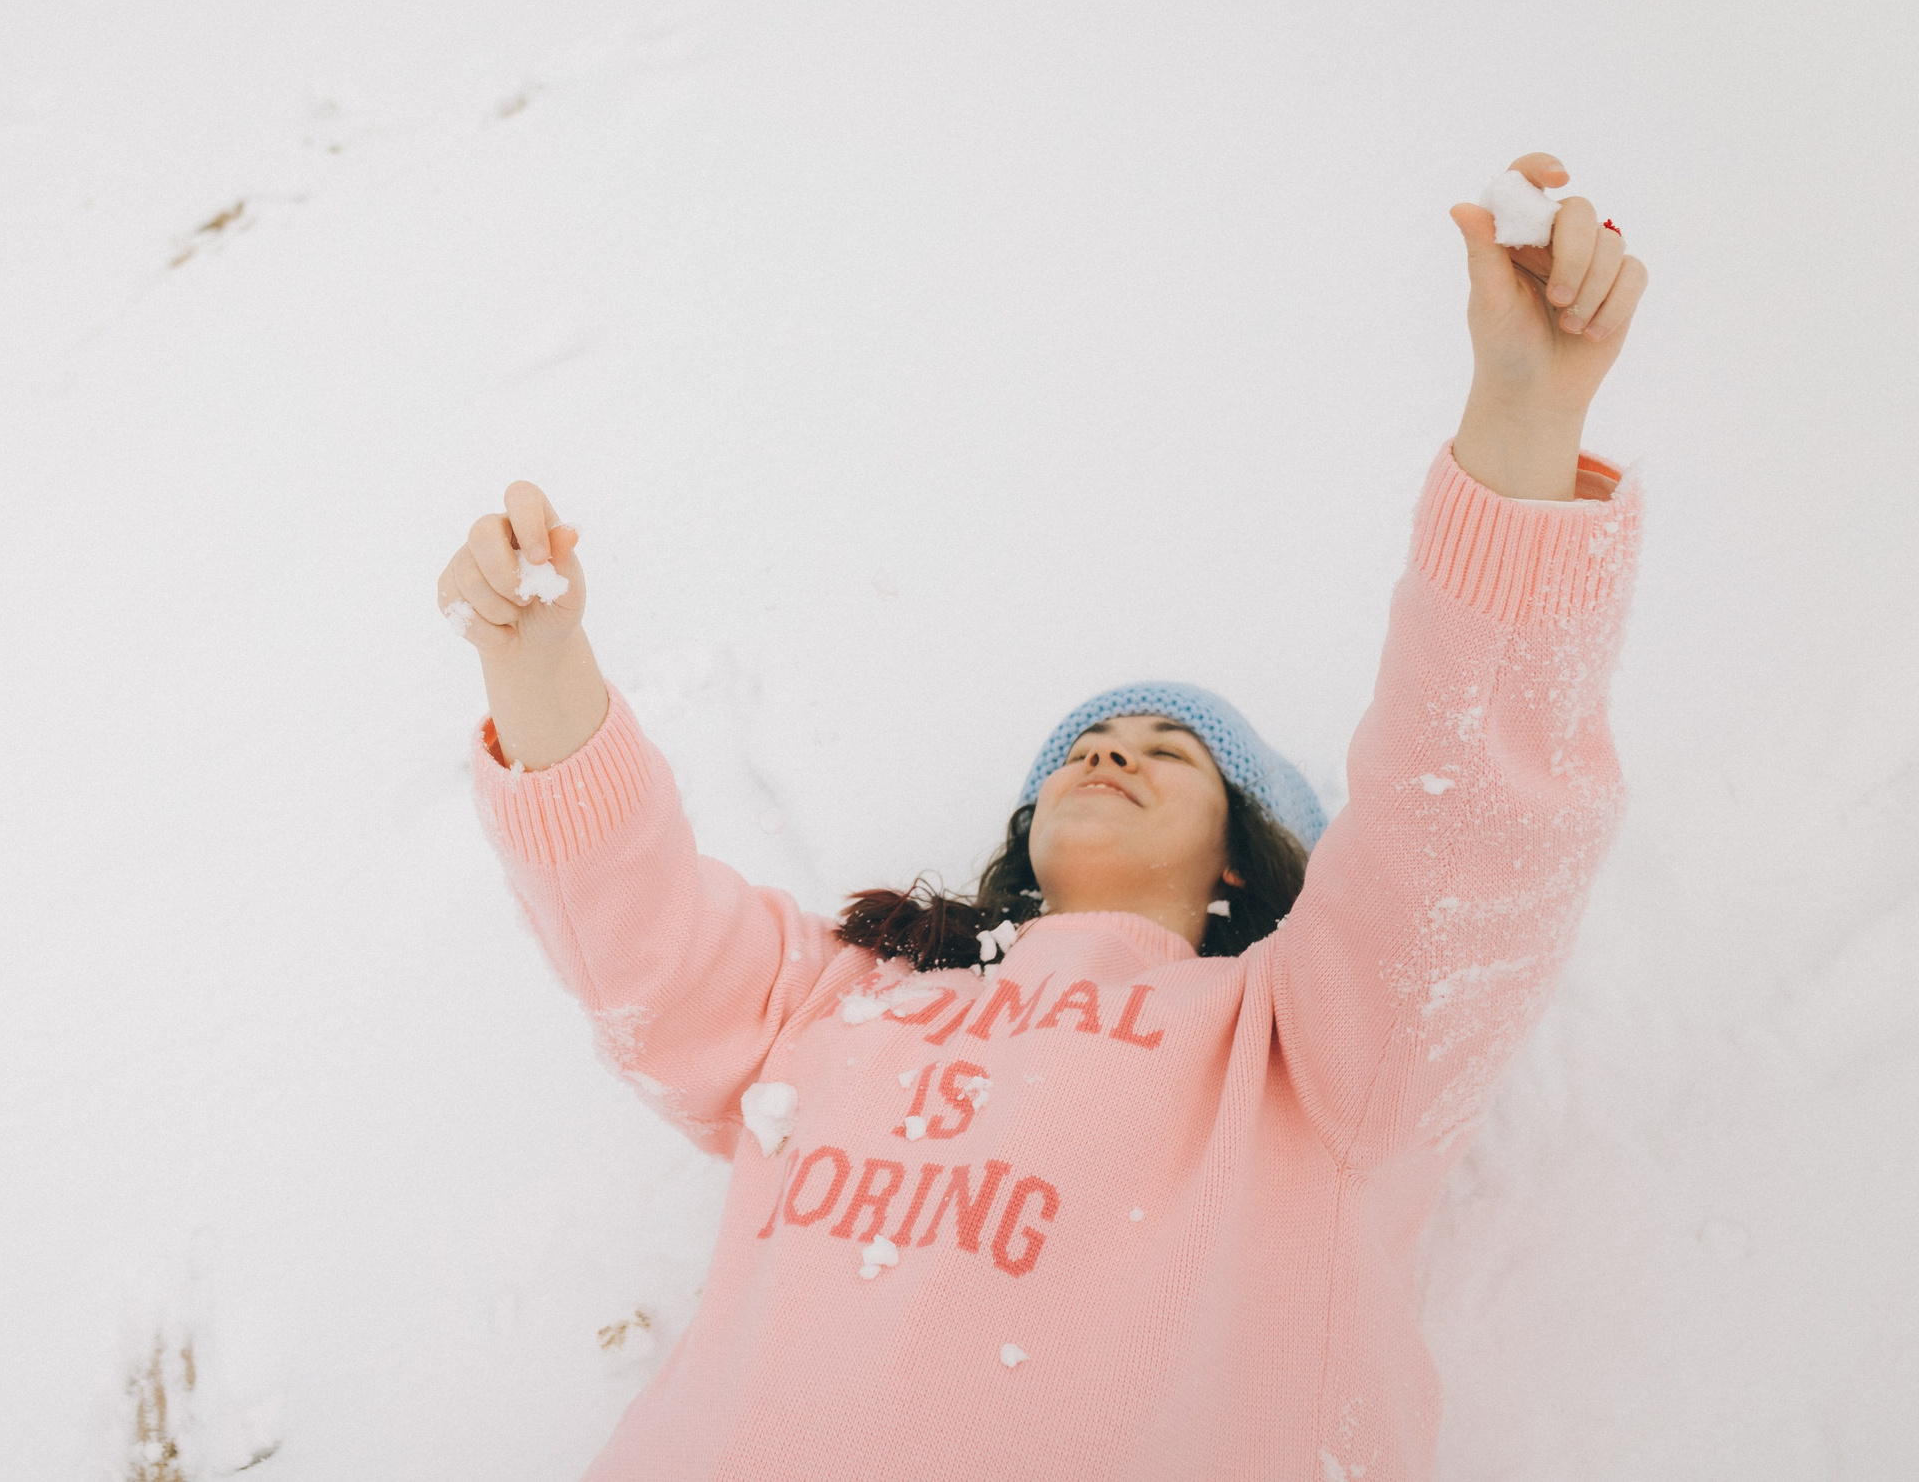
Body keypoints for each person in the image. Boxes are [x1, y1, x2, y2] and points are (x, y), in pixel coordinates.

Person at [435, 151, 1650, 1481]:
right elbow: (643, 947)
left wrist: (1521, 437)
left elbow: (1461, 836)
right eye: (1087, 745)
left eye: (1169, 751)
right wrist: (545, 685)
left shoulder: (1309, 1052)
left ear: (1250, 850)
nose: (1112, 753)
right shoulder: (837, 1006)